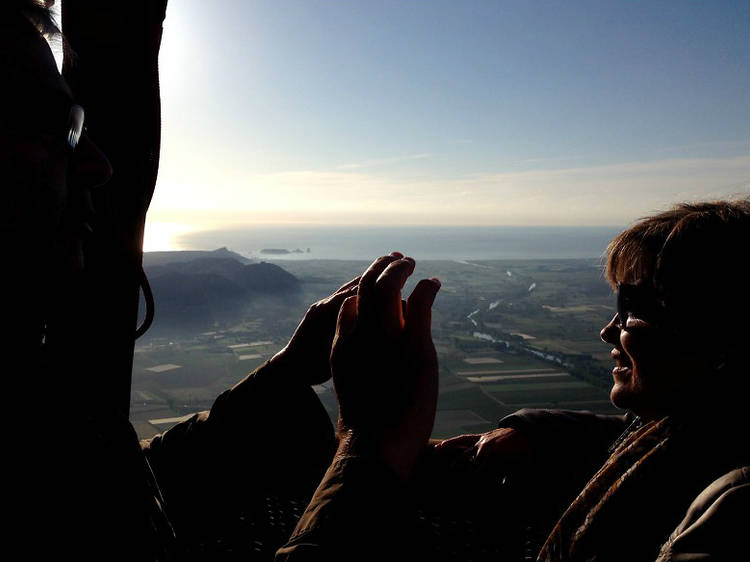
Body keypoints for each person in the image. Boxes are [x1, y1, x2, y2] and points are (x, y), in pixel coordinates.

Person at [0, 3, 405, 559]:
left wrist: (288, 372)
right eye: (58, 129)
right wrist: (367, 449)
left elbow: (127, 491)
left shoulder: (29, 396)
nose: (99, 163)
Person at [276, 200, 750, 561]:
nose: (608, 329)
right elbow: (623, 442)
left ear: (719, 333)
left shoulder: (735, 510)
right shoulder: (695, 434)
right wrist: (535, 432)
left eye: (635, 311)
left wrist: (364, 445)